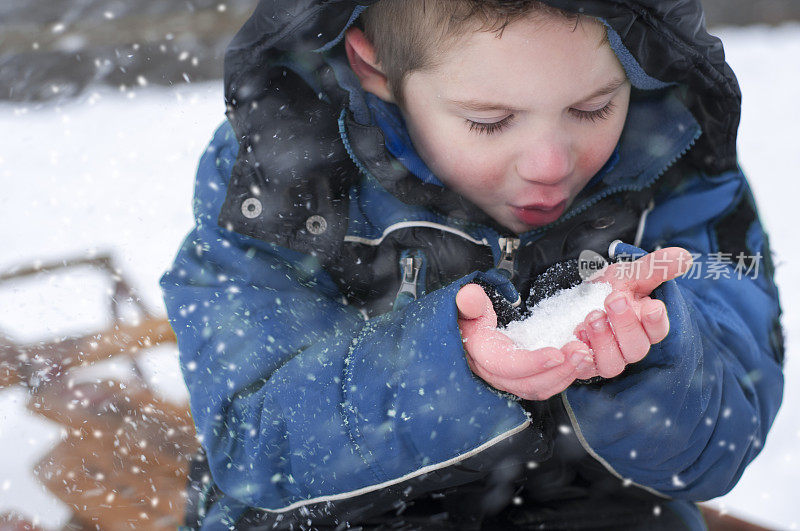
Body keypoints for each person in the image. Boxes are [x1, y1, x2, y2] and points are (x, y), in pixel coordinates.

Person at [159, 0, 785, 529]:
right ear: (372, 66)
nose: (549, 163)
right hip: (337, 509)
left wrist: (656, 365)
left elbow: (725, 438)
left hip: (585, 498)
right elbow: (254, 440)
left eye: (592, 108)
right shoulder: (284, 179)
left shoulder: (673, 163)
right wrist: (452, 373)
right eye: (490, 121)